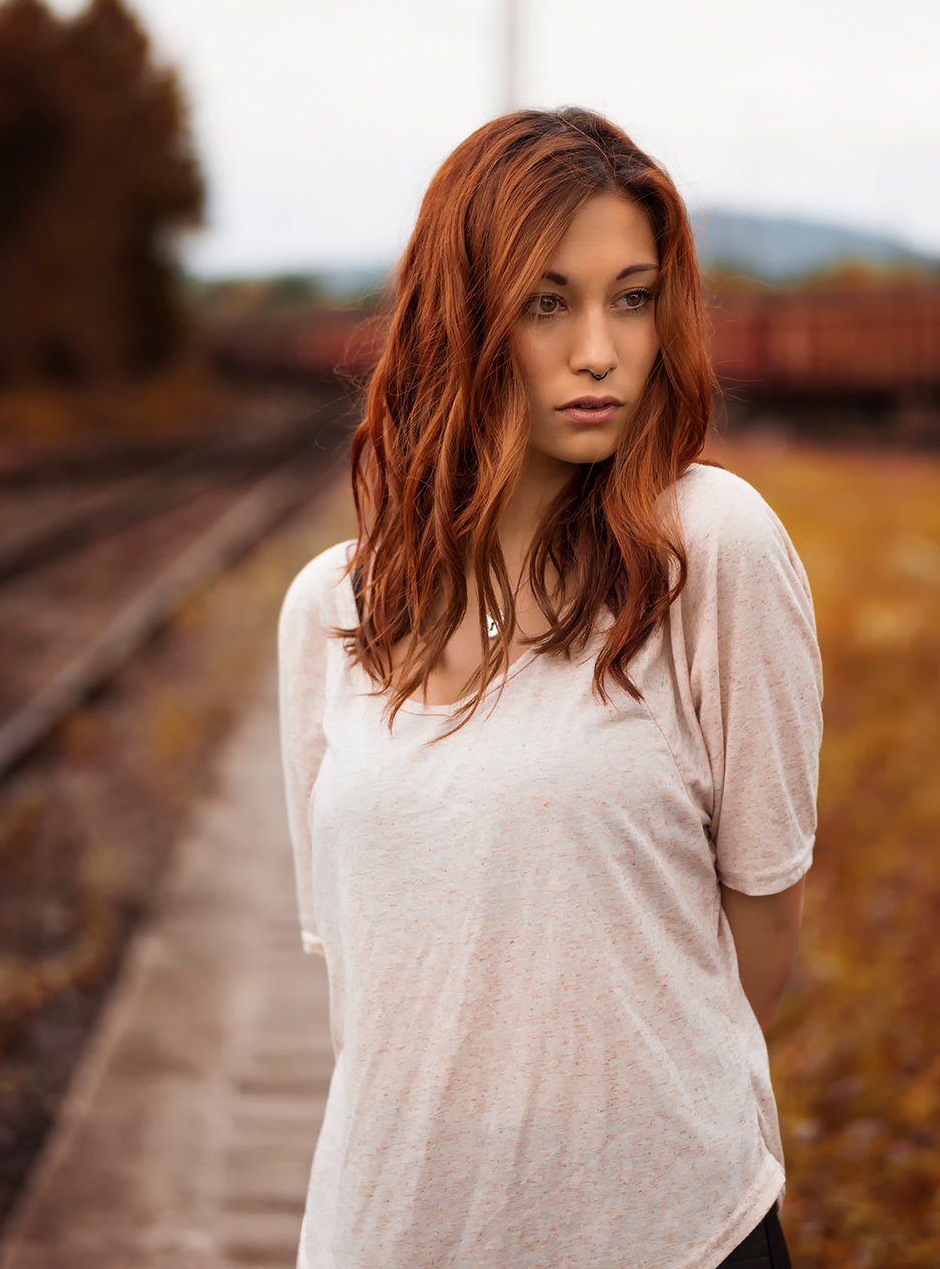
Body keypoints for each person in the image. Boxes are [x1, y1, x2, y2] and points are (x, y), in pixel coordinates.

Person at [276, 105, 821, 1269]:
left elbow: (763, 935)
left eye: (632, 297)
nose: (601, 349)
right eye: (547, 301)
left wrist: (604, 1158)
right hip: (386, 1232)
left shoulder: (709, 549)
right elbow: (373, 997)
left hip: (668, 1233)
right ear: (462, 318)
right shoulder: (328, 613)